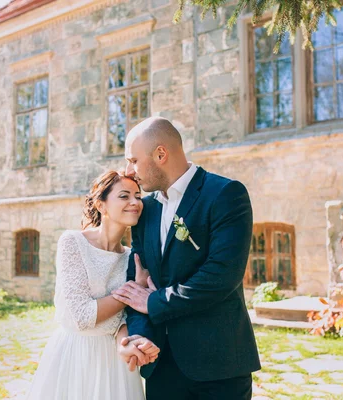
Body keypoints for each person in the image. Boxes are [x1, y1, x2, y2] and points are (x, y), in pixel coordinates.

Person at [112, 117, 261, 400]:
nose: (129, 171)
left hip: (219, 365)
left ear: (160, 154)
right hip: (161, 364)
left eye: (133, 160)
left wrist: (155, 302)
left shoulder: (225, 194)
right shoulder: (145, 209)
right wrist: (142, 337)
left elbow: (221, 276)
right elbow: (136, 286)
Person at [26, 170, 158, 400]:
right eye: (124, 196)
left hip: (116, 362)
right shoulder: (73, 242)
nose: (135, 202)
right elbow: (82, 316)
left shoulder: (132, 257)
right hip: (76, 355)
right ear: (101, 205)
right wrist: (132, 290)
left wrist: (125, 340)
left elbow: (124, 319)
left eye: (138, 196)